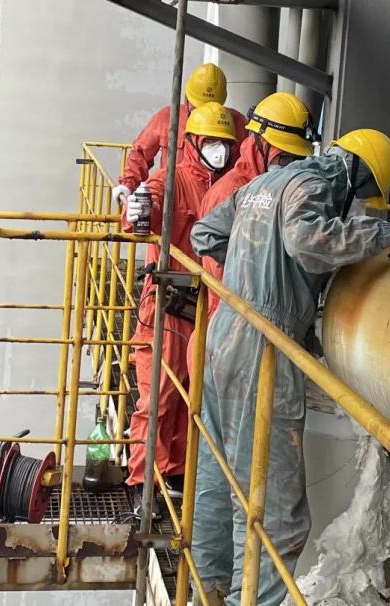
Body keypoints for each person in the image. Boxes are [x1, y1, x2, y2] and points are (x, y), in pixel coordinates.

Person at [189, 129, 390, 605]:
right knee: (274, 512)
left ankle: (206, 589)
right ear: (358, 173)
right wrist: (388, 234)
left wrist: (256, 270)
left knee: (218, 478)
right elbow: (306, 242)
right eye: (365, 194)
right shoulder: (317, 183)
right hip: (263, 347)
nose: (358, 205)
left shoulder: (264, 183)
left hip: (225, 331)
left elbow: (206, 234)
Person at [121, 101, 239, 517]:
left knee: (190, 396)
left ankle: (174, 471)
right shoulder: (172, 180)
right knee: (158, 396)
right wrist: (137, 206)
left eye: (225, 144)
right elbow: (145, 208)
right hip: (168, 305)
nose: (220, 151)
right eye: (211, 143)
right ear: (193, 142)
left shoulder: (231, 184)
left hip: (204, 307)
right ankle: (141, 482)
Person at [189, 92, 313, 368]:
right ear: (260, 143)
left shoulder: (269, 188)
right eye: (283, 157)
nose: (288, 165)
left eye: (294, 158)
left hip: (247, 329)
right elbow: (220, 270)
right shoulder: (232, 192)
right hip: (230, 330)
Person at [112, 63, 247, 201]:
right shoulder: (168, 118)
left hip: (218, 201)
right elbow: (140, 153)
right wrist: (128, 185)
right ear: (187, 98)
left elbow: (247, 165)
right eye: (197, 109)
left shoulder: (237, 123)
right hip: (174, 200)